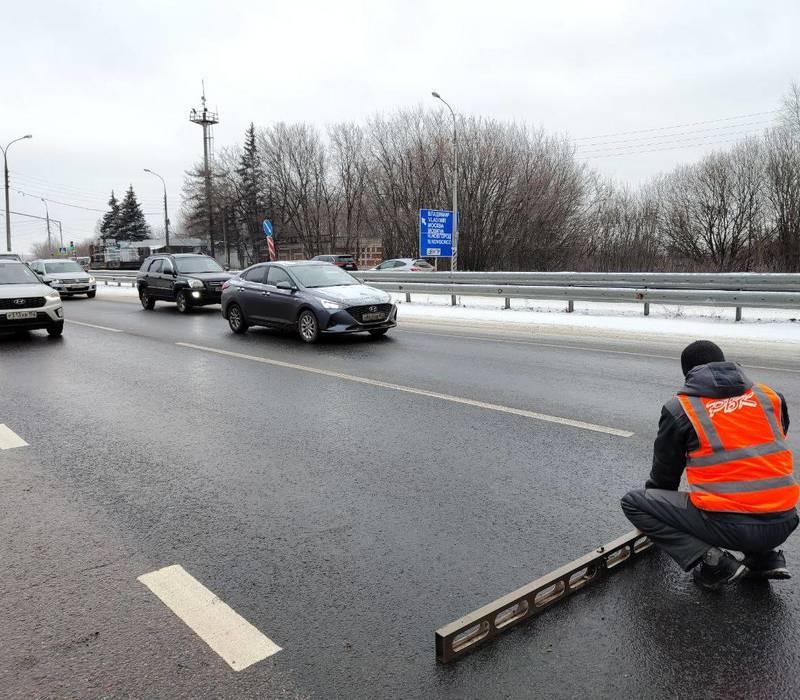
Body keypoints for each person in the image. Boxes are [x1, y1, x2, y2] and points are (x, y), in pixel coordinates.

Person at [621, 340, 799, 590]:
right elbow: (769, 450)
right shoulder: (770, 397)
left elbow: (665, 477)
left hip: (732, 528)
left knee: (634, 502)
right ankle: (764, 557)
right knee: (749, 492)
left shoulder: (681, 409)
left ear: (689, 374)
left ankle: (714, 562)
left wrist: (660, 513)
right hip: (786, 519)